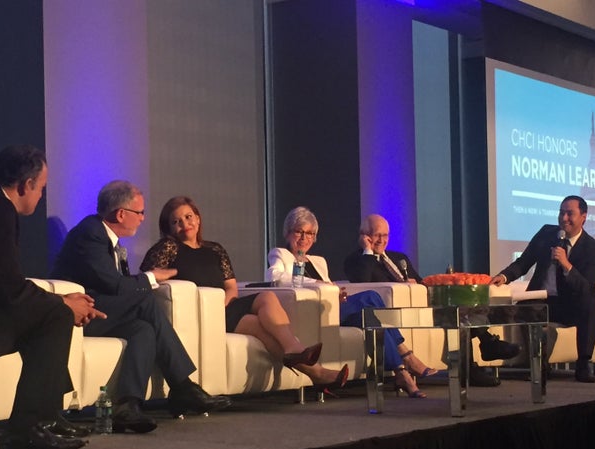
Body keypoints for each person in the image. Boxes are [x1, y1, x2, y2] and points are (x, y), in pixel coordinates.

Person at [0, 145, 106, 449]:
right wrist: (61, 304)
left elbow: (0, 281)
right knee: (54, 316)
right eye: (42, 188)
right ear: (26, 185)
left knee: (50, 313)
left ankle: (46, 416)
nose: (41, 195)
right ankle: (26, 429)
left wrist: (57, 300)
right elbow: (6, 286)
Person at [51, 182, 231, 432]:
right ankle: (182, 386)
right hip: (80, 313)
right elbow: (112, 284)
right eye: (140, 213)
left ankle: (128, 405)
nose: (143, 219)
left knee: (143, 330)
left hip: (103, 309)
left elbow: (117, 286)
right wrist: (150, 277)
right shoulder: (90, 233)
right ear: (121, 213)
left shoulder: (106, 237)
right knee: (145, 300)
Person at [140, 197, 348, 391]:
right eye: (176, 222)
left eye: (188, 217)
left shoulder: (214, 249)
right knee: (260, 318)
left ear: (198, 218)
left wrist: (223, 304)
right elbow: (147, 278)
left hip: (224, 307)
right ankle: (313, 369)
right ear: (169, 228)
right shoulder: (168, 247)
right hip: (197, 316)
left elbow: (231, 286)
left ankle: (303, 360)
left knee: (265, 304)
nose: (185, 224)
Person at [267, 207, 437, 398]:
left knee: (372, 320)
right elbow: (276, 278)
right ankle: (406, 355)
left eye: (310, 233)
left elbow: (329, 289)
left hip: (330, 310)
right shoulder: (280, 254)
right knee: (371, 297)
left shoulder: (318, 261)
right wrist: (319, 284)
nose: (304, 238)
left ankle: (401, 373)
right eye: (299, 231)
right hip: (308, 313)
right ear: (288, 233)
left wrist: (335, 294)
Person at [344, 213, 519, 387]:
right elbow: (362, 281)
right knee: (458, 316)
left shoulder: (399, 258)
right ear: (364, 236)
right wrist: (368, 251)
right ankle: (484, 348)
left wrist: (415, 284)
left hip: (424, 306)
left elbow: (423, 284)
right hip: (398, 313)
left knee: (462, 309)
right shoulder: (356, 260)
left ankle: (479, 355)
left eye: (385, 235)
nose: (382, 240)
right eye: (376, 235)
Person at [490, 195, 595, 383]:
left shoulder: (593, 248)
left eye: (570, 214)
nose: (564, 218)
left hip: (570, 304)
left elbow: (586, 286)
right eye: (561, 212)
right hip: (542, 300)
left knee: (591, 301)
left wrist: (566, 264)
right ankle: (539, 366)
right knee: (525, 309)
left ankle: (583, 364)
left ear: (583, 217)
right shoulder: (546, 233)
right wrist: (503, 276)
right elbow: (524, 261)